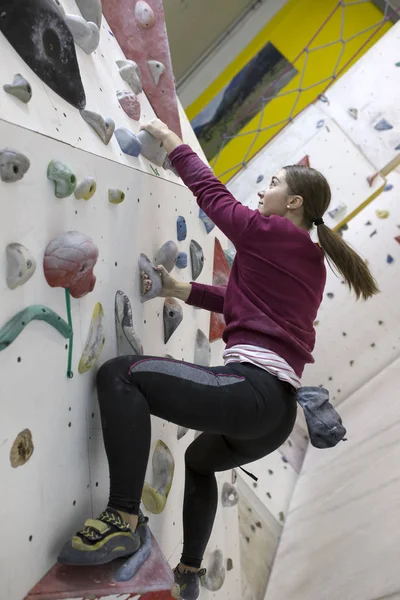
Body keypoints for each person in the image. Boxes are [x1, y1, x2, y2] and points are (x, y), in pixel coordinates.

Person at [58, 119, 379, 599]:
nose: (263, 192)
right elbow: (242, 303)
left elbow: (215, 199)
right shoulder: (307, 259)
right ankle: (188, 573)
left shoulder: (273, 232)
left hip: (252, 391)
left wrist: (174, 146)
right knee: (200, 460)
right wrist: (177, 288)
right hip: (274, 414)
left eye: (273, 184)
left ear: (293, 204)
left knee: (122, 375)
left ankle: (123, 516)